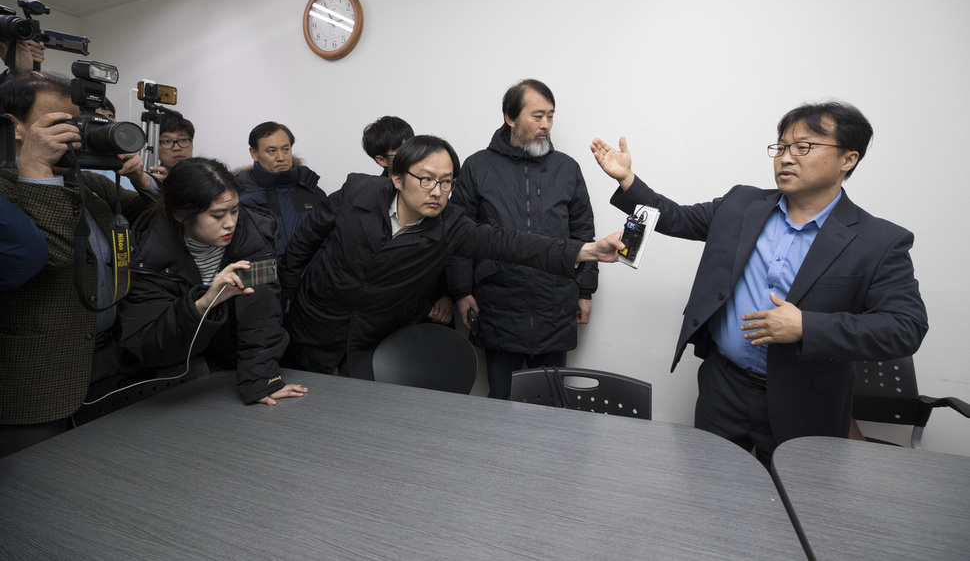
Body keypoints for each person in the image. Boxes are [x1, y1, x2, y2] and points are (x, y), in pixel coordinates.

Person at [590, 101, 928, 464]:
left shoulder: (878, 240)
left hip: (807, 401)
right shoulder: (741, 204)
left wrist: (806, 325)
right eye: (781, 147)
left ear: (848, 159)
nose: (786, 158)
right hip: (724, 385)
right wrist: (627, 179)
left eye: (804, 147)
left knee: (792, 504)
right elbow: (675, 217)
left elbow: (905, 327)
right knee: (705, 490)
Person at [281, 134, 624, 381]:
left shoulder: (451, 226)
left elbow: (513, 244)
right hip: (313, 325)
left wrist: (589, 250)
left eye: (447, 182)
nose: (437, 191)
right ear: (398, 178)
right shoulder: (358, 192)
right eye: (427, 179)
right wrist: (292, 292)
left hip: (373, 339)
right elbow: (304, 242)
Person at [0, 72, 157, 457]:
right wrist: (35, 169)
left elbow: (161, 220)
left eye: (81, 124)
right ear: (15, 127)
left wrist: (140, 178)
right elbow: (49, 255)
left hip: (109, 358)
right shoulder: (4, 189)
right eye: (61, 124)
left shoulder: (91, 183)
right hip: (39, 377)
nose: (77, 135)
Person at [447, 79, 598, 399]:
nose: (546, 125)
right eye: (537, 116)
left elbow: (583, 233)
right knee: (502, 401)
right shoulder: (477, 167)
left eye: (551, 116)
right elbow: (458, 234)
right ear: (510, 117)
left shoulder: (567, 169)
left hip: (555, 305)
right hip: (499, 305)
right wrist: (461, 291)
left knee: (552, 404)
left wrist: (585, 291)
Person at [119, 157, 307, 406]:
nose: (230, 223)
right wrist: (203, 304)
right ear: (180, 215)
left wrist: (261, 381)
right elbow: (147, 344)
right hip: (173, 384)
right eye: (217, 215)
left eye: (235, 210)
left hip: (227, 373)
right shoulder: (151, 256)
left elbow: (261, 316)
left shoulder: (253, 239)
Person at [362, 115, 453, 326]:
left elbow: (452, 249)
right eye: (401, 151)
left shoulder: (436, 190)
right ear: (382, 161)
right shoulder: (369, 201)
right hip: (391, 317)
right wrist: (423, 308)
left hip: (436, 305)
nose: (414, 154)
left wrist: (450, 295)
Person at [235, 121, 327, 260]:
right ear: (254, 153)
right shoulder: (240, 197)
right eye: (271, 151)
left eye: (286, 149)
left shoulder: (313, 192)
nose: (281, 158)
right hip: (267, 280)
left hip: (313, 278)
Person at [149, 115, 195, 180]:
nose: (176, 148)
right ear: (154, 147)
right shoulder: (147, 182)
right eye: (167, 141)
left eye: (183, 140)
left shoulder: (208, 177)